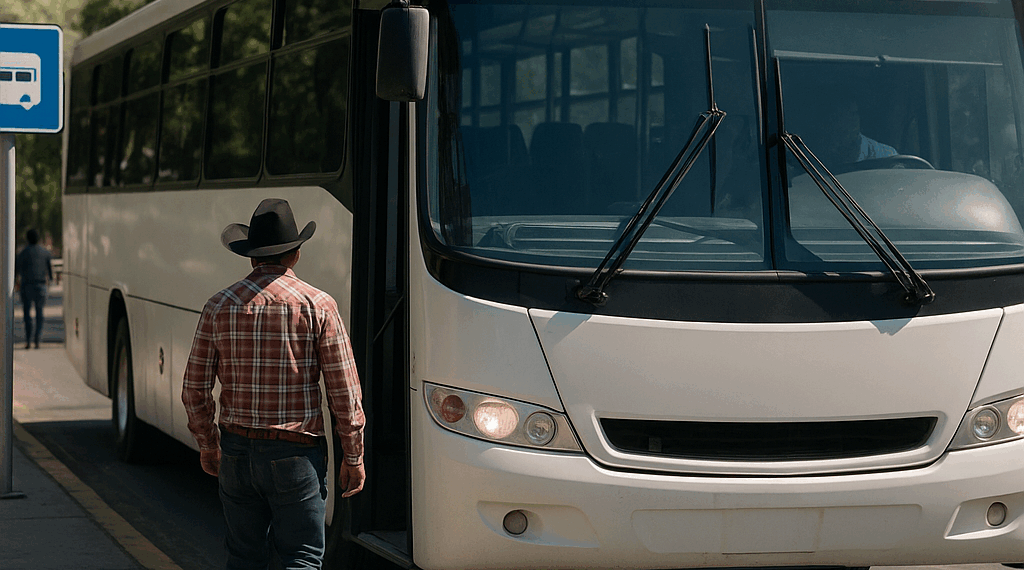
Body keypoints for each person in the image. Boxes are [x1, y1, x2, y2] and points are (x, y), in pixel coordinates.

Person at [182, 198, 366, 570]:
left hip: (236, 450)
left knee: (244, 557)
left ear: (251, 258)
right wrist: (354, 456)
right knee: (301, 557)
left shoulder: (218, 305)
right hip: (295, 453)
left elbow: (194, 389)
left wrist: (208, 444)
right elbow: (343, 393)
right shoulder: (319, 306)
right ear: (295, 255)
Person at [14, 229, 52, 349]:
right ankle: (37, 339)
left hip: (26, 286)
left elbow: (16, 270)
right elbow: (50, 272)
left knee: (27, 314)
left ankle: (28, 340)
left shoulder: (23, 253)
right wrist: (49, 282)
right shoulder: (45, 252)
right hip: (40, 285)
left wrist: (16, 282)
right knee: (39, 314)